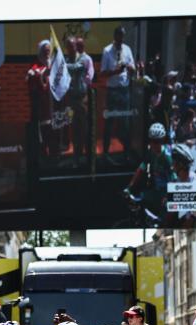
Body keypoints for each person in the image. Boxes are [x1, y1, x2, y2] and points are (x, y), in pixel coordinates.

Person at [123, 122, 173, 221]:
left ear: (162, 140)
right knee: (139, 198)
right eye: (152, 141)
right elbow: (141, 169)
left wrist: (168, 196)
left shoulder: (166, 157)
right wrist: (129, 187)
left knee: (163, 221)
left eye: (157, 141)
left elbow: (174, 180)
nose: (154, 144)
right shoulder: (151, 152)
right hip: (156, 190)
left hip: (165, 194)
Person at [100, 26, 135, 163]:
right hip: (112, 91)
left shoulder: (127, 49)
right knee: (109, 122)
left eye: (123, 36)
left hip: (124, 90)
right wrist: (115, 71)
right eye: (120, 36)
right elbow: (102, 73)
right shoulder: (107, 50)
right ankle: (105, 153)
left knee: (125, 123)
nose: (122, 39)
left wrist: (131, 67)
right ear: (115, 36)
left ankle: (126, 153)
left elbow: (133, 68)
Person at [65, 36, 94, 167]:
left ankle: (88, 157)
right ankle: (76, 157)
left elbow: (76, 68)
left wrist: (62, 65)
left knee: (85, 128)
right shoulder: (66, 59)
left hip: (82, 99)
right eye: (68, 46)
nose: (71, 49)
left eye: (72, 46)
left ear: (76, 46)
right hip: (71, 99)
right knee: (75, 129)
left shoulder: (83, 58)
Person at [27, 40, 58, 160]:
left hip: (53, 101)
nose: (47, 53)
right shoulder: (36, 65)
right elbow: (32, 74)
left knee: (54, 128)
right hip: (42, 103)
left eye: (48, 51)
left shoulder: (52, 63)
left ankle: (54, 153)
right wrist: (36, 74)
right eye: (45, 51)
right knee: (43, 129)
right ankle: (43, 153)